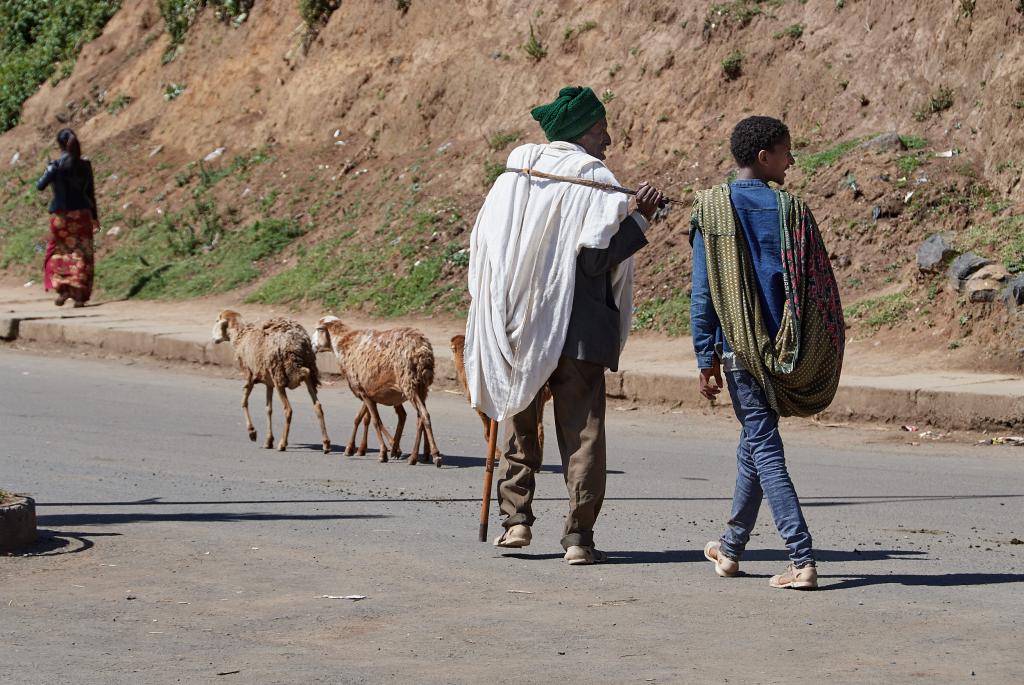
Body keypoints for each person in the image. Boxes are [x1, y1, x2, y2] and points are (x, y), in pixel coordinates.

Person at [464, 86, 663, 565]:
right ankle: (579, 538)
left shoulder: (513, 179)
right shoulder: (594, 179)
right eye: (600, 129)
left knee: (518, 418)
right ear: (580, 133)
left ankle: (516, 524)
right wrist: (642, 220)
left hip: (520, 325)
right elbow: (595, 259)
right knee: (583, 433)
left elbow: (487, 253)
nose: (608, 138)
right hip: (579, 330)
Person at [690, 116, 845, 590]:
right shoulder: (791, 211)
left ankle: (802, 559)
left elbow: (703, 294)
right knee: (755, 446)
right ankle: (731, 547)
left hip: (738, 352)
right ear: (764, 157)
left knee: (763, 448)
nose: (792, 160)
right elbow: (815, 289)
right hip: (786, 349)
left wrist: (705, 356)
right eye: (786, 151)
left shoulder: (711, 210)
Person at [37, 128, 99, 307]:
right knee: (82, 254)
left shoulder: (55, 165)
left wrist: (49, 168)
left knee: (61, 252)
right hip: (82, 216)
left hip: (61, 218)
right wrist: (95, 217)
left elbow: (40, 185)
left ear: (59, 145)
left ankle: (63, 290)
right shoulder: (85, 165)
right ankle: (79, 295)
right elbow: (90, 193)